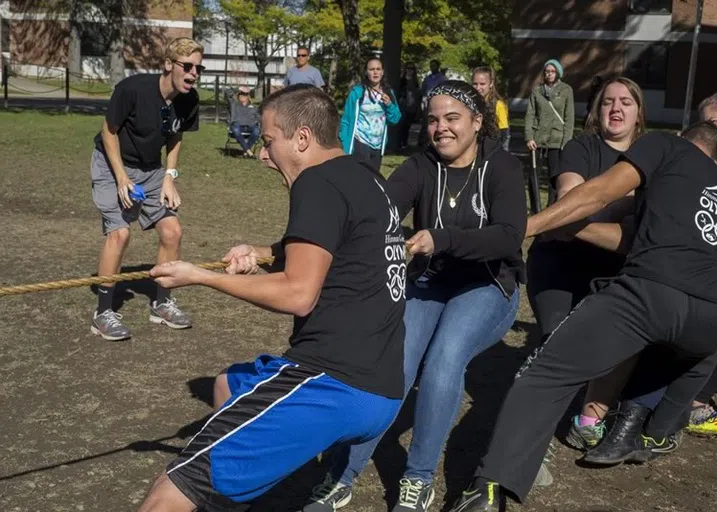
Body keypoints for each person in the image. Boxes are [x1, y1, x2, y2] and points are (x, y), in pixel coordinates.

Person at [137, 84, 407, 512]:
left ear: (301, 139)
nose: (263, 155)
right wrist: (262, 254)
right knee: (228, 384)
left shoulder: (316, 183)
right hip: (384, 386)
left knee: (164, 497)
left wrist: (199, 277)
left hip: (333, 383)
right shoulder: (365, 177)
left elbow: (298, 294)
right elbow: (343, 246)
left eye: (268, 142)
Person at [448, 122, 717, 511]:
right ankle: (654, 433)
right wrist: (574, 229)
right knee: (683, 362)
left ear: (684, 139)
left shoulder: (665, 145)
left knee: (544, 374)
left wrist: (523, 228)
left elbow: (597, 192)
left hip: (653, 294)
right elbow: (637, 240)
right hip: (716, 319)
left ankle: (487, 489)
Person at [304, 80, 527, 512]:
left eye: (452, 118)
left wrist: (439, 239)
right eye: (433, 119)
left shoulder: (501, 167)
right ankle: (342, 474)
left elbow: (508, 237)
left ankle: (418, 478)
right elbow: (381, 207)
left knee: (445, 357)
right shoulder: (421, 165)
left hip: (487, 284)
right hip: (432, 282)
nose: (440, 128)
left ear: (478, 122)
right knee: (394, 360)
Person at [584, 92, 717, 463]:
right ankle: (667, 420)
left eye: (714, 124)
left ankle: (631, 430)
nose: (705, 132)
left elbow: (688, 195)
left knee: (676, 325)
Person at [525, 77, 646, 450]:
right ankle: (529, 437)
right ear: (596, 110)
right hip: (560, 261)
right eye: (608, 101)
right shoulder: (580, 147)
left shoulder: (653, 155)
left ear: (639, 113)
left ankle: (589, 420)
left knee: (622, 338)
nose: (616, 108)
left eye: (626, 101)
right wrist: (629, 201)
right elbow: (571, 202)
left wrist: (587, 213)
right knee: (557, 345)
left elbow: (578, 215)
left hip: (615, 268)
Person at [89, 37, 203, 341]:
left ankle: (162, 303)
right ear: (168, 65)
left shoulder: (189, 99)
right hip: (112, 162)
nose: (193, 73)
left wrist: (169, 176)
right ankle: (102, 313)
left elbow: (176, 138)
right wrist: (122, 178)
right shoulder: (133, 89)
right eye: (187, 66)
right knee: (120, 233)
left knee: (172, 232)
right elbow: (108, 131)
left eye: (198, 68)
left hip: (152, 168)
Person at [524, 58, 575, 203]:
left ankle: (552, 207)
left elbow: (569, 117)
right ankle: (535, 209)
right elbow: (530, 114)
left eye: (553, 71)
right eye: (547, 71)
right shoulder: (537, 91)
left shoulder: (566, 90)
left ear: (558, 73)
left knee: (555, 177)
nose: (549, 74)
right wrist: (529, 137)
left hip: (557, 141)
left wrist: (566, 141)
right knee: (533, 176)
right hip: (537, 140)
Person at [339, 57, 402, 171]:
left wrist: (389, 105)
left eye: (378, 69)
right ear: (366, 72)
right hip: (360, 142)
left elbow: (395, 119)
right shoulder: (358, 92)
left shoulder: (388, 92)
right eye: (371, 69)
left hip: (378, 145)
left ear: (382, 72)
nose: (375, 72)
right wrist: (344, 142)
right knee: (360, 178)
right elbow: (346, 120)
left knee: (373, 178)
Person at [472, 66, 510, 151]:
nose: (478, 88)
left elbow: (504, 134)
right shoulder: (471, 102)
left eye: (482, 84)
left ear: (491, 84)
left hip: (492, 148)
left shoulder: (498, 105)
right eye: (475, 84)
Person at [225, 85, 260, 157]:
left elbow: (259, 118)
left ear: (248, 96)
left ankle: (245, 150)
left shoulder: (253, 107)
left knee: (257, 131)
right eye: (240, 94)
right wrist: (238, 88)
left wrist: (256, 122)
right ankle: (248, 151)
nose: (242, 96)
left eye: (244, 94)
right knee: (236, 130)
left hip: (250, 126)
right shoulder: (234, 104)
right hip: (237, 125)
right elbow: (227, 94)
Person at [398, 63, 421, 149]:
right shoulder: (402, 80)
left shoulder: (415, 81)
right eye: (408, 68)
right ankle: (400, 143)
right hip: (403, 104)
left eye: (412, 69)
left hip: (412, 105)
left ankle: (404, 143)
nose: (410, 70)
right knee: (402, 124)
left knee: (408, 125)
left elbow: (417, 93)